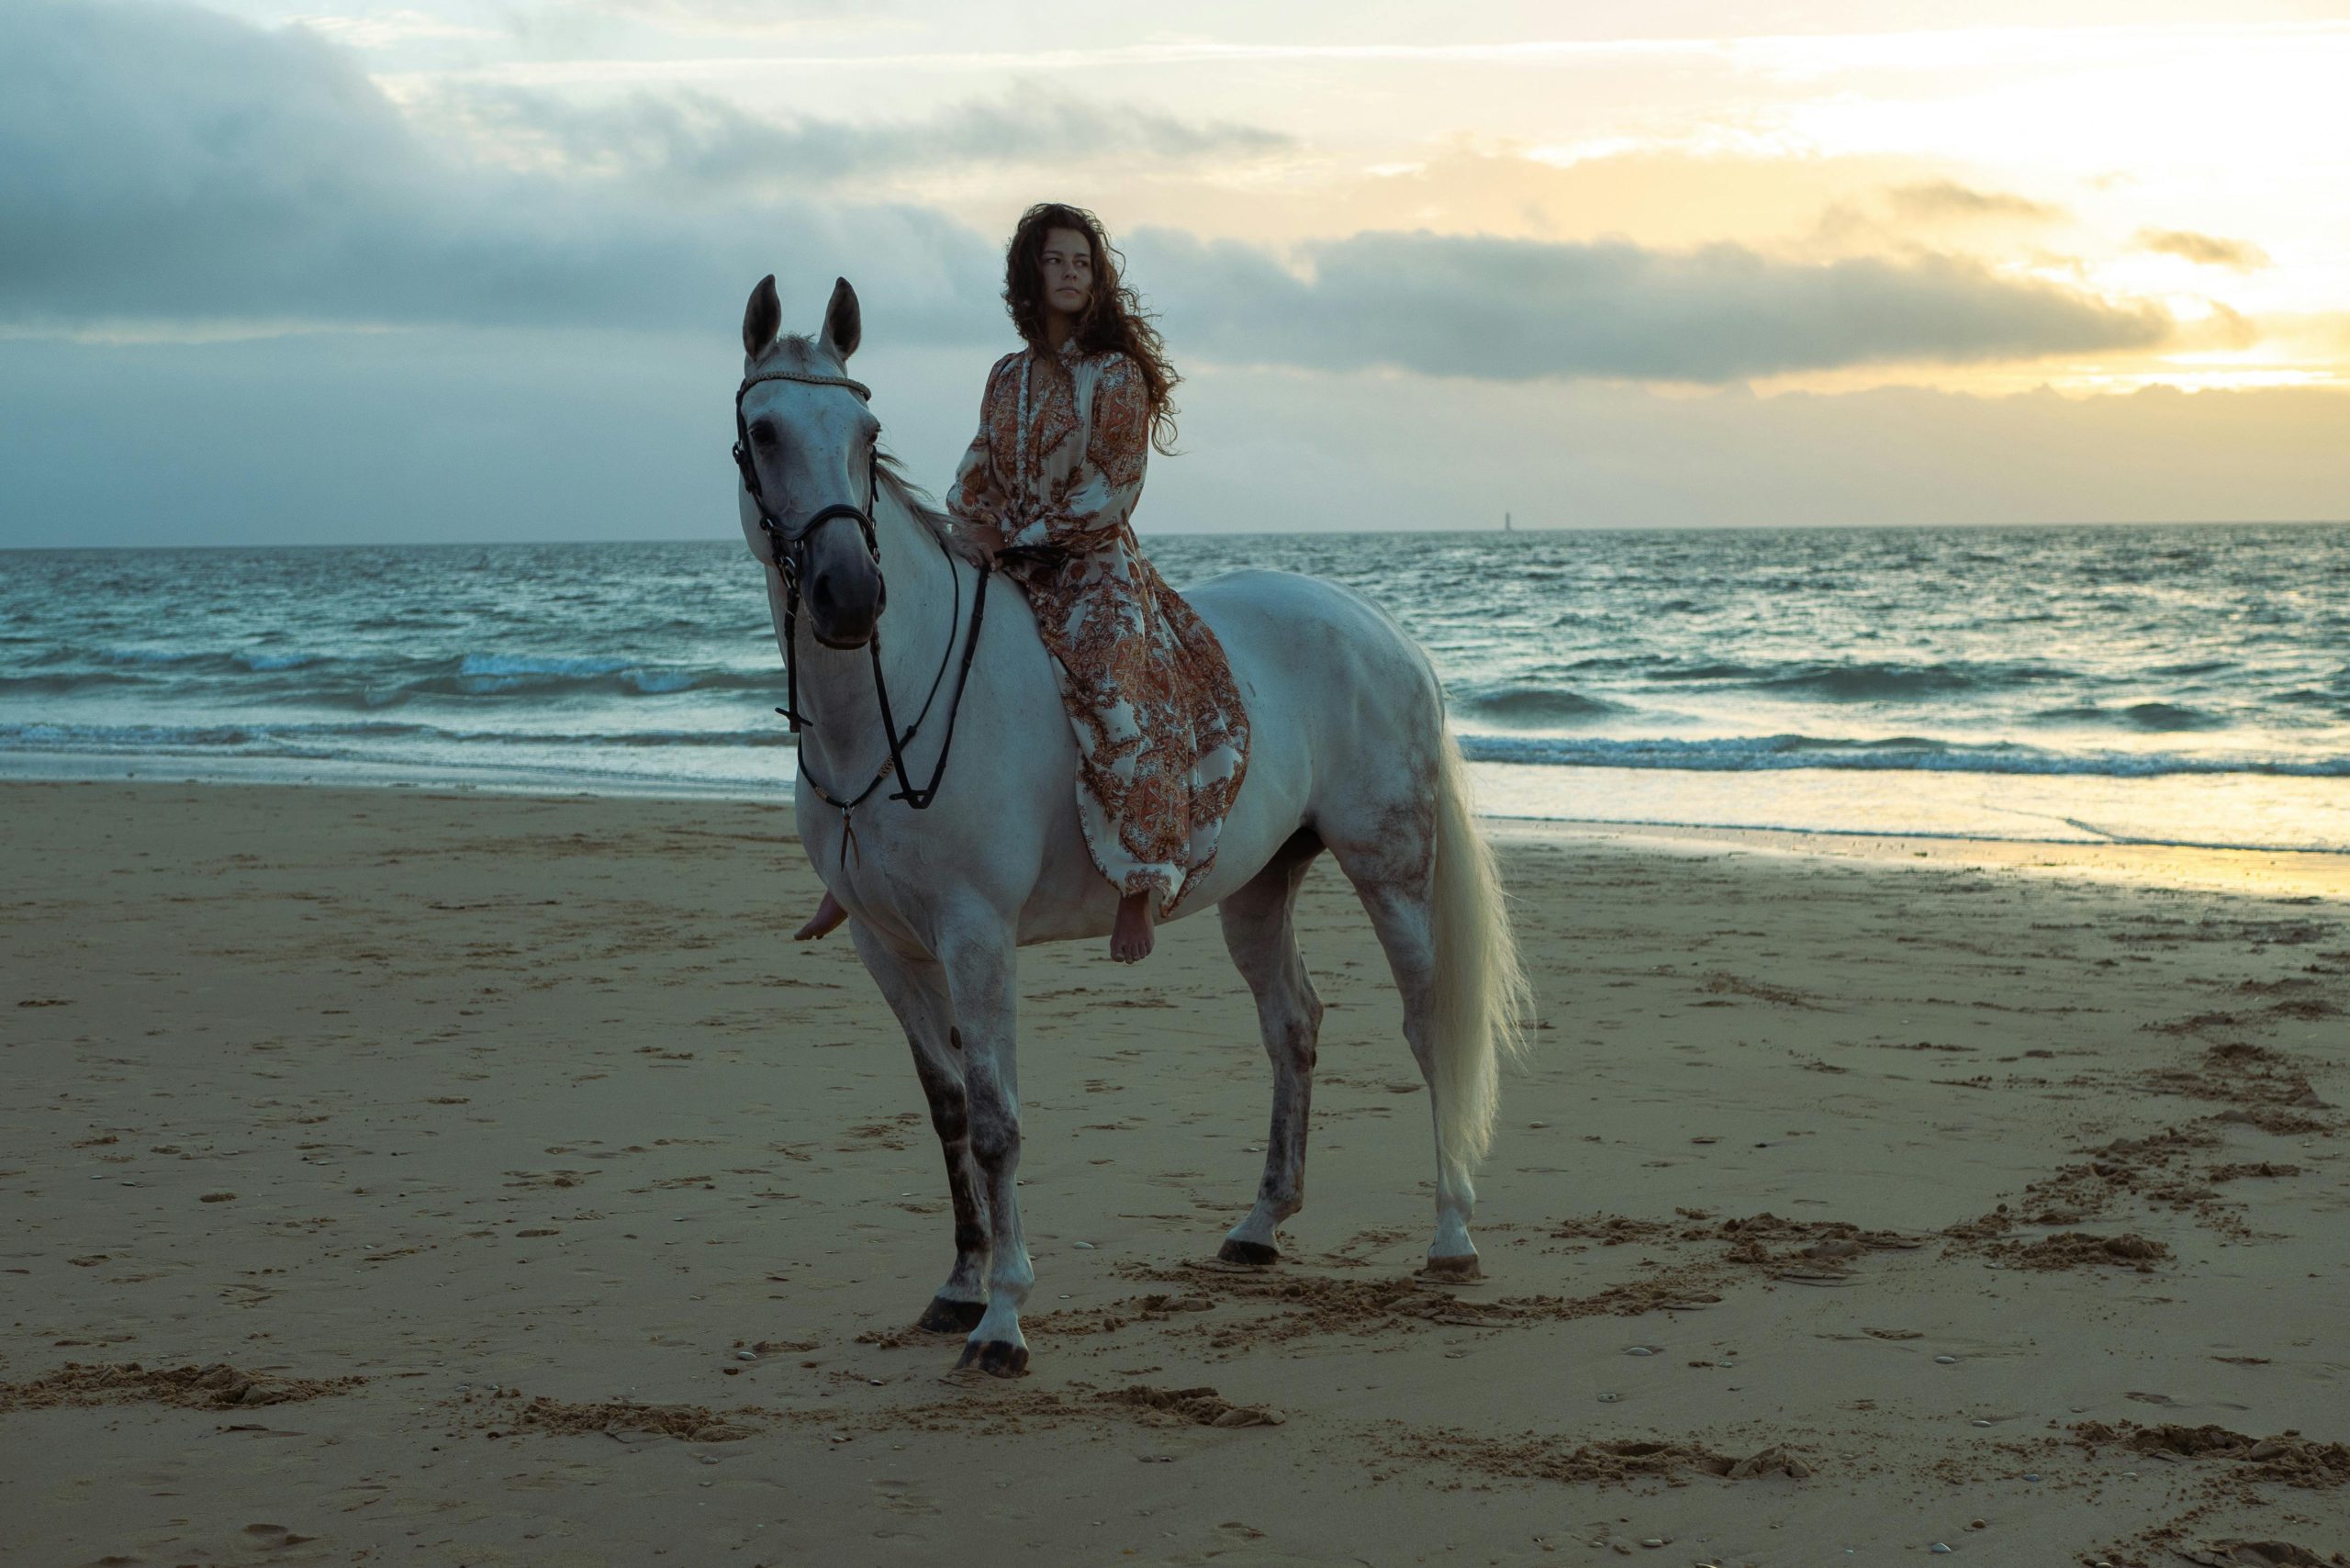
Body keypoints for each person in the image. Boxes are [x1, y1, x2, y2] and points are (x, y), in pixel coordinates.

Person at [796, 201, 1249, 963]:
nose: (1071, 273)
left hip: (1092, 566)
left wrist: (1018, 538)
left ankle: (1140, 886)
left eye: (1082, 262)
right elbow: (978, 469)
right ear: (1029, 277)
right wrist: (969, 525)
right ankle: (854, 867)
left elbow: (1111, 487)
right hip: (1003, 560)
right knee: (908, 667)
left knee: (1117, 691)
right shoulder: (1005, 376)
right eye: (1056, 261)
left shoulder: (1117, 377)